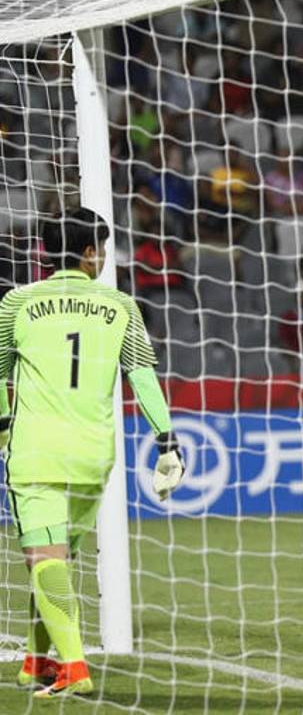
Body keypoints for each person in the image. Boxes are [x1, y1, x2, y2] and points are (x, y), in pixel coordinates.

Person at [0, 208, 185, 696]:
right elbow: (141, 374)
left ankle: (74, 668)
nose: (103, 256)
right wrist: (167, 439)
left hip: (37, 450)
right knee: (56, 560)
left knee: (44, 558)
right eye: (101, 248)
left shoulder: (17, 303)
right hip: (93, 453)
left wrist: (2, 426)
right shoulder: (121, 305)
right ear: (88, 253)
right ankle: (36, 661)